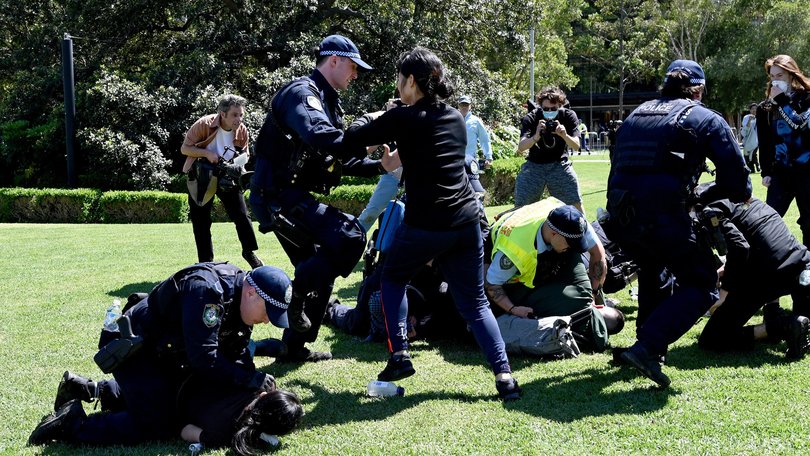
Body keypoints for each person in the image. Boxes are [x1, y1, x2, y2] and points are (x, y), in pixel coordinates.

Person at [344, 47, 522, 401]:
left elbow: (353, 136)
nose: (397, 86)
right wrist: (396, 130)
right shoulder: (455, 117)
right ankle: (504, 377)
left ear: (411, 80)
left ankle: (399, 355)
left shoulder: (404, 118)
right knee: (475, 304)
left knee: (392, 278)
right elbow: (411, 158)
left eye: (399, 79)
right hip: (466, 221)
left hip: (427, 222)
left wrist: (382, 114)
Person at [249, 34, 398, 362]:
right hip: (275, 196)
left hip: (290, 194)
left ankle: (293, 347)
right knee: (348, 235)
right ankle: (297, 298)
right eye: (353, 66)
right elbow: (320, 135)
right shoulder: (302, 94)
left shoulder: (328, 102)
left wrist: (380, 166)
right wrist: (372, 134)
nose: (355, 74)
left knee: (321, 267)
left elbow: (337, 158)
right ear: (334, 60)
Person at [28, 264, 292, 446]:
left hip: (166, 354)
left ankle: (86, 389)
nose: (267, 321)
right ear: (251, 292)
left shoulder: (237, 295)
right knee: (160, 423)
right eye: (267, 312)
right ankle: (71, 425)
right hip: (135, 349)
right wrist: (250, 380)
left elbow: (235, 347)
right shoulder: (208, 291)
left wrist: (251, 383)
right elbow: (204, 358)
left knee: (173, 400)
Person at [606, 59, 751, 388]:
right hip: (664, 215)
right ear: (698, 89)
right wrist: (701, 195)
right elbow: (739, 185)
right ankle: (648, 347)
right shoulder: (704, 117)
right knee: (702, 285)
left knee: (653, 271)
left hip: (622, 215)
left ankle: (646, 349)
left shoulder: (636, 113)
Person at [484, 198, 612, 352]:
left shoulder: (571, 219)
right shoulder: (513, 252)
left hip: (544, 243)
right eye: (570, 244)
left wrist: (594, 291)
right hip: (510, 268)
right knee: (571, 302)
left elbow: (598, 254)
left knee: (582, 298)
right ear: (553, 234)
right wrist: (513, 309)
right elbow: (491, 284)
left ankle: (590, 314)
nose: (575, 248)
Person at [697, 196, 810, 357]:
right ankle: (778, 318)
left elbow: (740, 248)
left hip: (763, 278)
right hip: (801, 265)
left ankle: (782, 326)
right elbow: (761, 241)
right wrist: (725, 269)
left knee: (712, 339)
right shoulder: (749, 199)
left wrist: (724, 293)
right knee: (805, 316)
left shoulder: (709, 210)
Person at [181, 94, 263, 269]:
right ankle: (206, 263)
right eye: (235, 115)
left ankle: (249, 252)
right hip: (202, 175)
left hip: (227, 177)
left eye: (241, 114)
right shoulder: (204, 124)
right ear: (222, 114)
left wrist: (239, 163)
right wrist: (207, 153)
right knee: (201, 220)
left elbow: (245, 153)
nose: (239, 119)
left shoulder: (242, 130)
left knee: (242, 216)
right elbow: (185, 148)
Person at [757, 54, 810, 247]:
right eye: (772, 76)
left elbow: (800, 124)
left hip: (807, 172)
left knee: (808, 223)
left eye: (780, 75)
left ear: (791, 74)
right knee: (767, 222)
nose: (776, 80)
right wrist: (766, 172)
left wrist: (782, 101)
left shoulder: (807, 99)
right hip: (781, 173)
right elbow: (765, 143)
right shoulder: (766, 108)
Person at [178, 377, 304, 454]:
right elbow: (186, 430)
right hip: (179, 400)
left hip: (186, 378)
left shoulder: (252, 381)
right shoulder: (222, 437)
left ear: (264, 395)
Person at [514, 87, 583, 212]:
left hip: (560, 165)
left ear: (560, 106)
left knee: (575, 205)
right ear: (540, 106)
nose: (549, 112)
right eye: (545, 109)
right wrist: (535, 137)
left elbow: (576, 145)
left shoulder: (568, 115)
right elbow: (521, 147)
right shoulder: (532, 117)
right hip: (534, 166)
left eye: (553, 109)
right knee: (521, 206)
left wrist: (564, 135)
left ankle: (583, 230)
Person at [458, 95, 493, 167]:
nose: (464, 107)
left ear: (470, 106)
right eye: (462, 104)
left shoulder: (476, 121)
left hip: (470, 160)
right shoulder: (453, 119)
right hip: (455, 160)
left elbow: (484, 139)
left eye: (466, 105)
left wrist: (488, 157)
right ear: (458, 105)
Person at [740, 102, 760, 173]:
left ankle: (757, 165)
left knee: (753, 153)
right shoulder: (746, 117)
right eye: (753, 109)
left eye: (756, 109)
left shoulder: (760, 117)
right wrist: (749, 120)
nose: (754, 110)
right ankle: (752, 169)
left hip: (757, 140)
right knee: (747, 155)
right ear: (750, 110)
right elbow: (746, 128)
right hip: (748, 139)